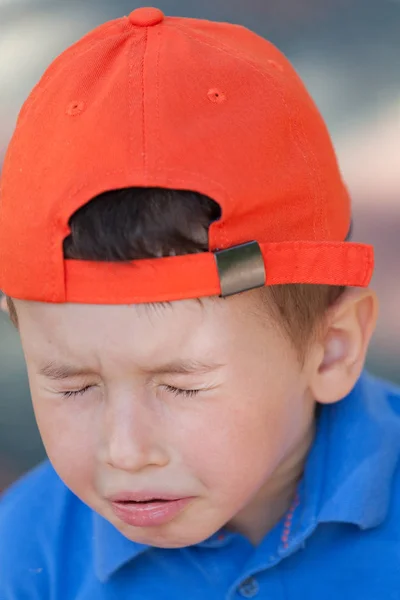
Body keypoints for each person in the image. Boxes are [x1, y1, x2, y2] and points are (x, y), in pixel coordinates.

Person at [0, 7, 399, 599]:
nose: (125, 451)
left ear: (331, 351)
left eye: (180, 385)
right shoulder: (28, 551)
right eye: (74, 386)